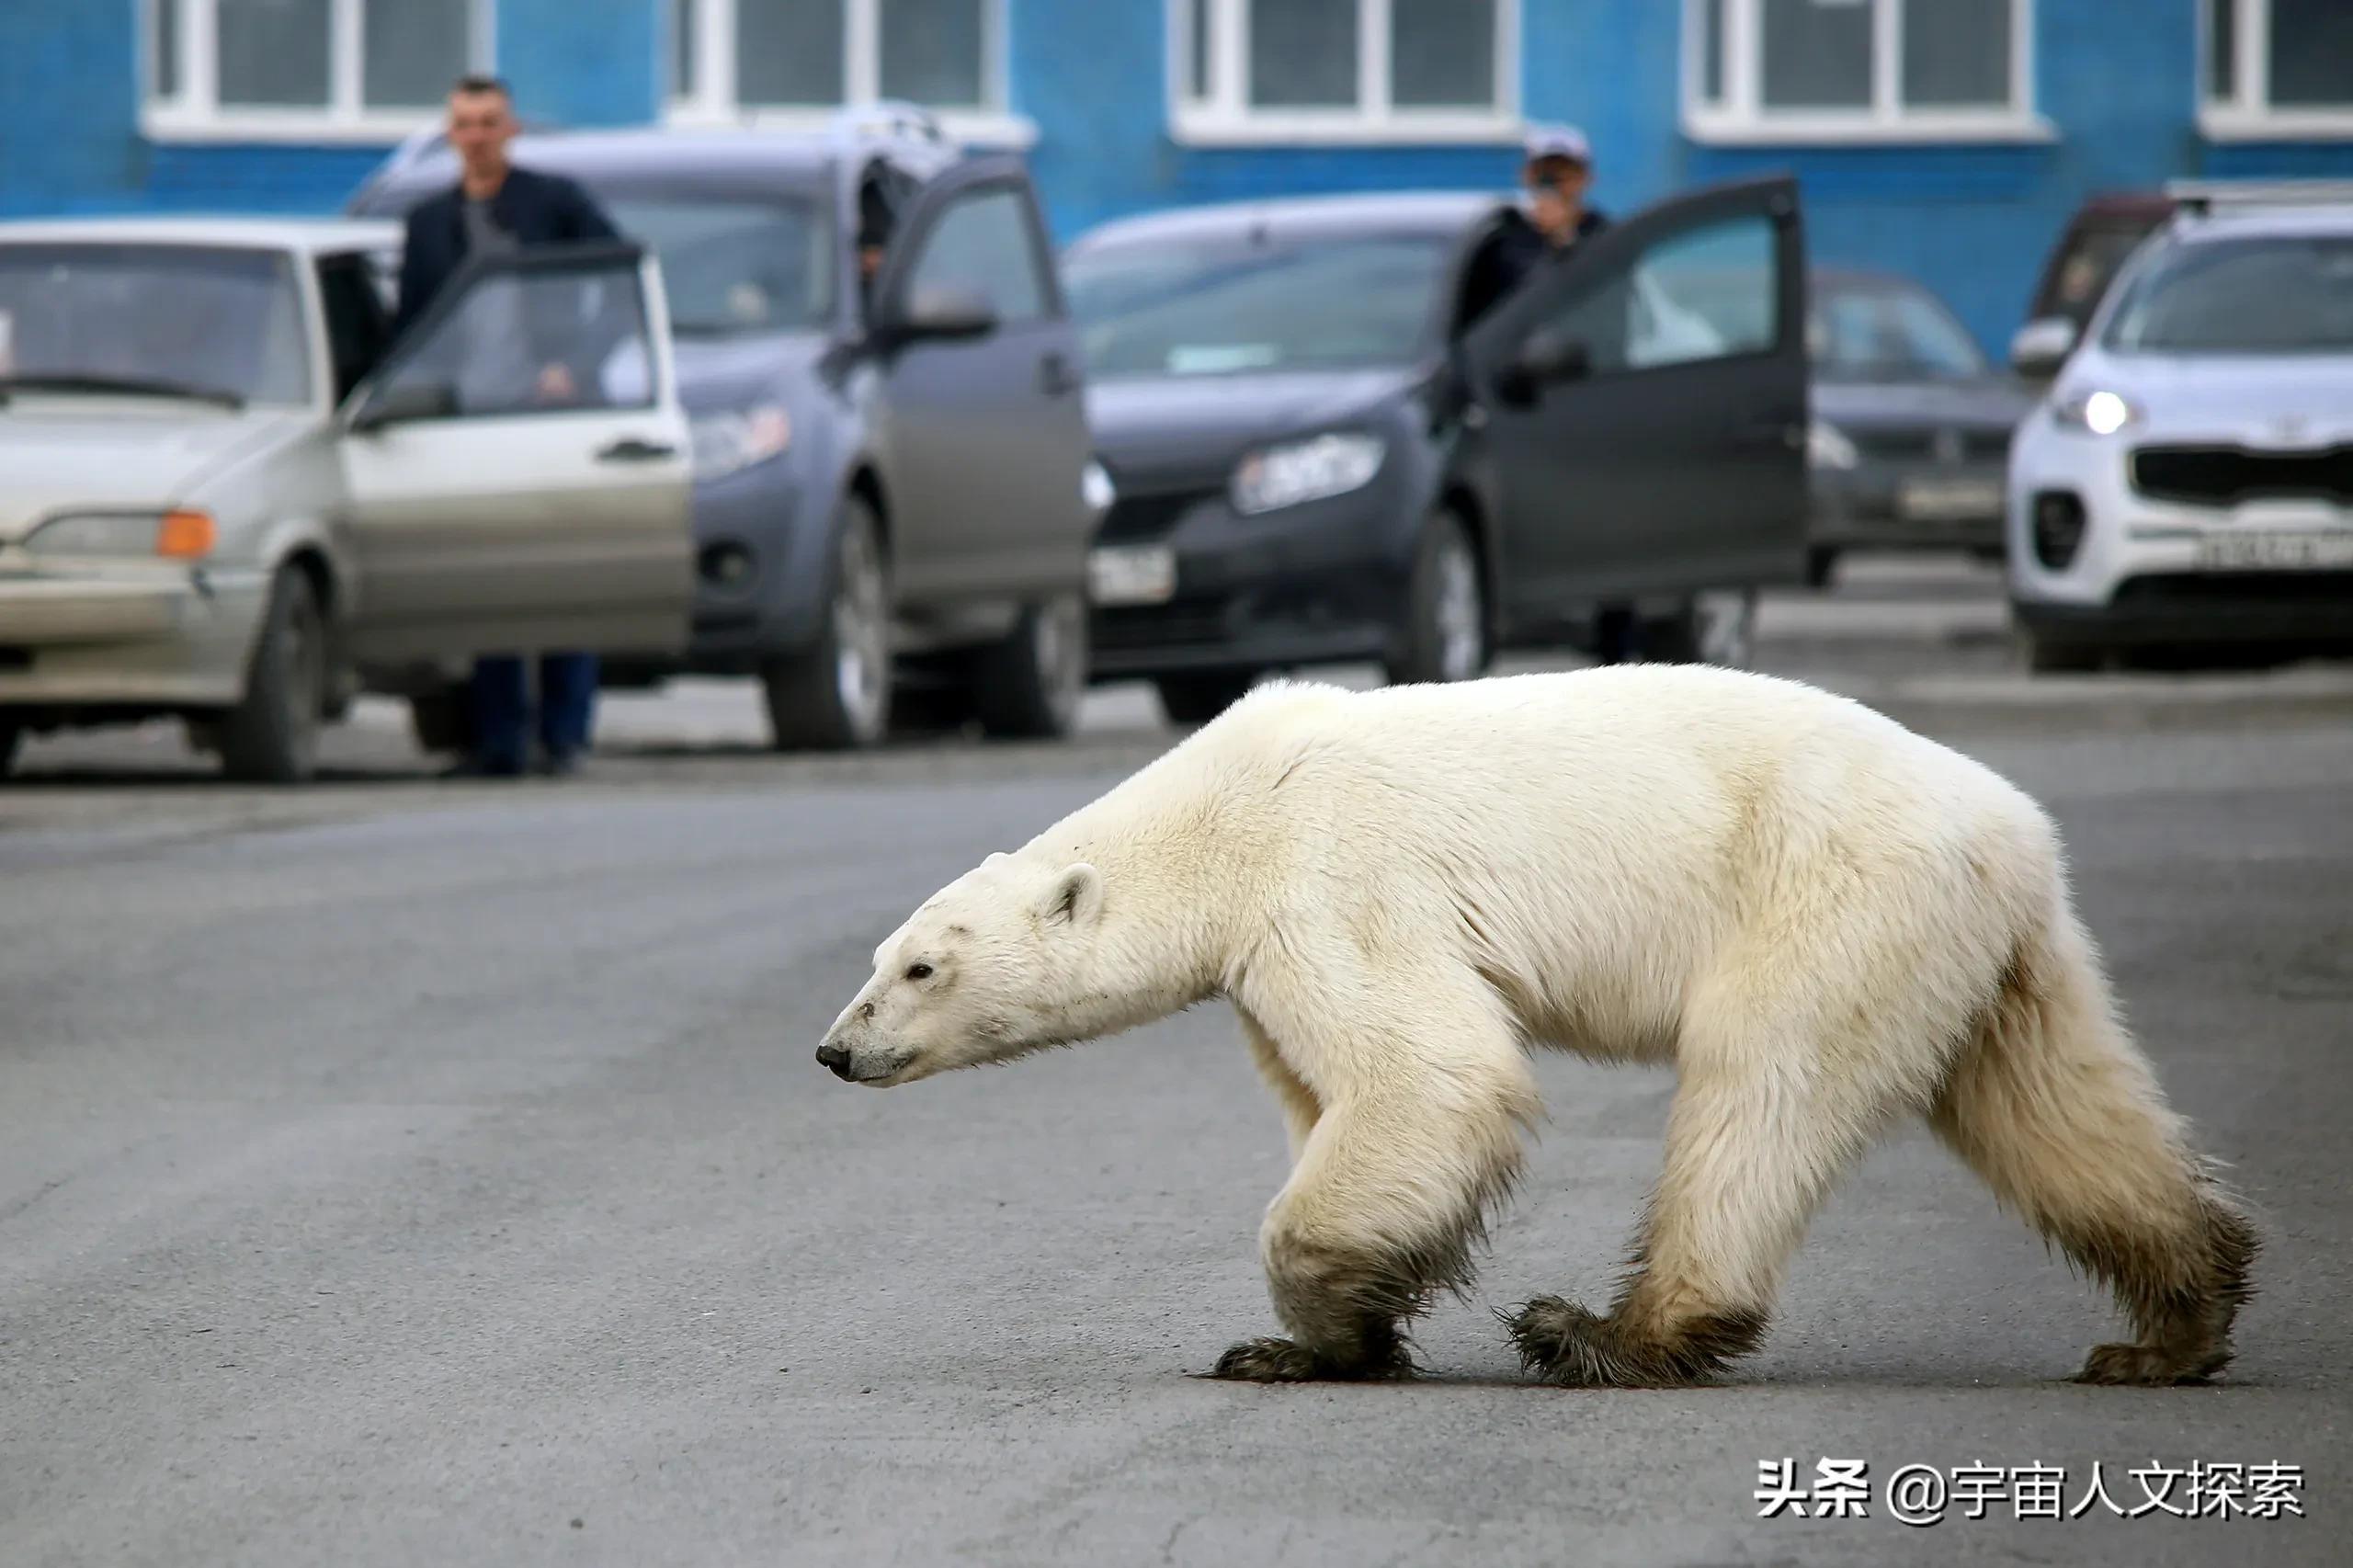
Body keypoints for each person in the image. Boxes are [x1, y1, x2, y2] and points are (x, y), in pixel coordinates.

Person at [392, 74, 622, 778]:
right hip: (471, 425)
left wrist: (574, 365)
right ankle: (496, 742)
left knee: (564, 578)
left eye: (490, 122)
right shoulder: (429, 222)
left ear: (511, 128)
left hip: (554, 419)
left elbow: (620, 282)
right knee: (488, 583)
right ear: (449, 132)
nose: (478, 136)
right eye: (465, 124)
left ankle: (566, 736)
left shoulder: (554, 203)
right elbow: (412, 329)